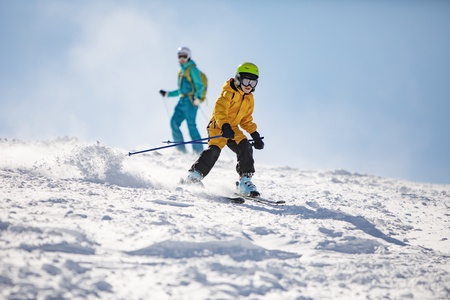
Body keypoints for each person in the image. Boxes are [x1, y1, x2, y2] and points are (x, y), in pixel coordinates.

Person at [183, 62, 265, 197]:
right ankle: (194, 176)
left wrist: (254, 134)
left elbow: (246, 120)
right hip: (218, 126)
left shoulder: (249, 99)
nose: (249, 86)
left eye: (253, 83)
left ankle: (245, 181)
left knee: (245, 145)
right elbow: (219, 111)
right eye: (246, 81)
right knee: (214, 150)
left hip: (233, 129)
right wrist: (225, 126)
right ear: (238, 79)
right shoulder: (228, 93)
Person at [159, 47, 205, 154]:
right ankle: (180, 150)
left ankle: (198, 152)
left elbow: (200, 85)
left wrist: (198, 97)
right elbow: (181, 90)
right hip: (181, 101)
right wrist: (168, 94)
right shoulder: (181, 71)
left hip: (191, 102)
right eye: (180, 56)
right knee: (174, 123)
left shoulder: (193, 69)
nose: (182, 59)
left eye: (184, 56)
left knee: (191, 126)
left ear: (188, 56)